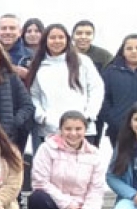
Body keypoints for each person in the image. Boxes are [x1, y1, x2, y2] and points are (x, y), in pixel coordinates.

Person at [28, 111, 121, 209]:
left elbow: (96, 189)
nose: (73, 133)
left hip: (80, 208)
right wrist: (66, 204)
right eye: (68, 129)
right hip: (54, 206)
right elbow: (40, 182)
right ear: (60, 130)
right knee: (37, 197)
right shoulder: (46, 149)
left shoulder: (94, 154)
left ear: (85, 130)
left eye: (78, 129)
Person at [27, 24, 104, 152]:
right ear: (45, 40)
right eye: (52, 37)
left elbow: (96, 88)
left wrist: (88, 115)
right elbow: (34, 95)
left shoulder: (83, 61)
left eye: (61, 37)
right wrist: (42, 117)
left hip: (82, 130)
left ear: (67, 40)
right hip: (50, 130)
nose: (57, 41)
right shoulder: (38, 64)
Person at [0, 13, 32, 81]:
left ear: (20, 32)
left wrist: (29, 75)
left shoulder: (31, 56)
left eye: (12, 28)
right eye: (3, 28)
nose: (8, 32)